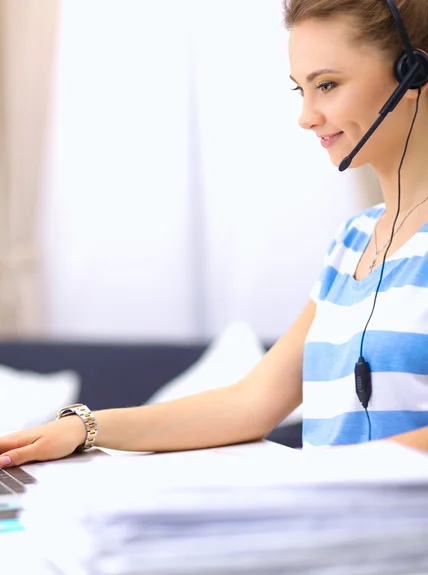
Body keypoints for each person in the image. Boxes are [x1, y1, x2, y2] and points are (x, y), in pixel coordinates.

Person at [1, 0, 428, 469]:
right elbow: (249, 403)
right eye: (300, 90)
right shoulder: (353, 242)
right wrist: (83, 428)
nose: (306, 116)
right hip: (324, 530)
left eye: (327, 85)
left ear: (412, 71)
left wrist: (328, 477)